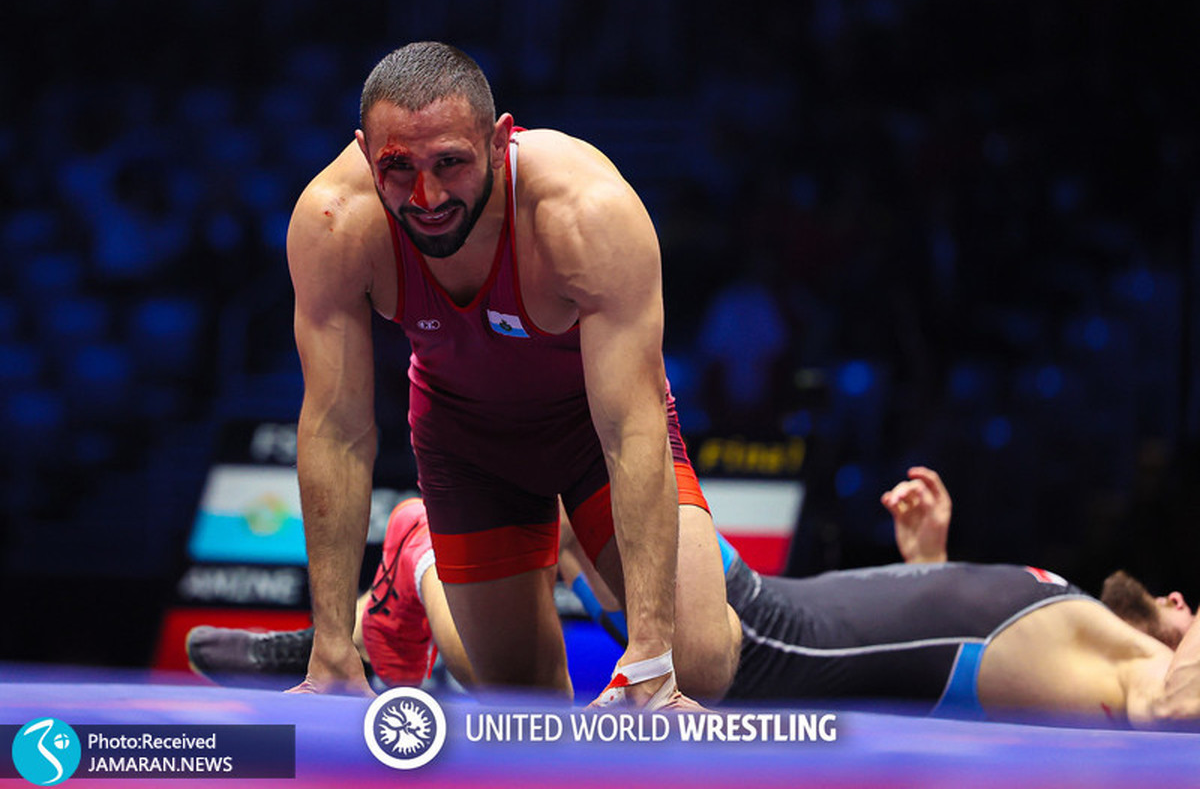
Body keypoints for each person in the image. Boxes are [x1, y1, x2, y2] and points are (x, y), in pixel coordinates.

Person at [284, 41, 737, 706]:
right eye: (398, 168)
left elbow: (630, 426)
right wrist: (331, 651)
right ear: (364, 150)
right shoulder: (334, 221)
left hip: (591, 429)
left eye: (450, 163)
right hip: (467, 444)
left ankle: (627, 595)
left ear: (499, 142)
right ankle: (419, 554)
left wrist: (650, 655)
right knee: (523, 701)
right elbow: (336, 429)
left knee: (698, 665)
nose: (427, 196)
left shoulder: (586, 212)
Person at [189, 467, 1200, 728]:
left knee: (522, 671)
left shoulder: (1140, 675)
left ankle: (400, 586)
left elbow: (1170, 711)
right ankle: (386, 610)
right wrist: (928, 561)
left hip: (761, 639)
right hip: (768, 613)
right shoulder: (1088, 629)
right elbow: (941, 643)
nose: (1184, 605)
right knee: (545, 503)